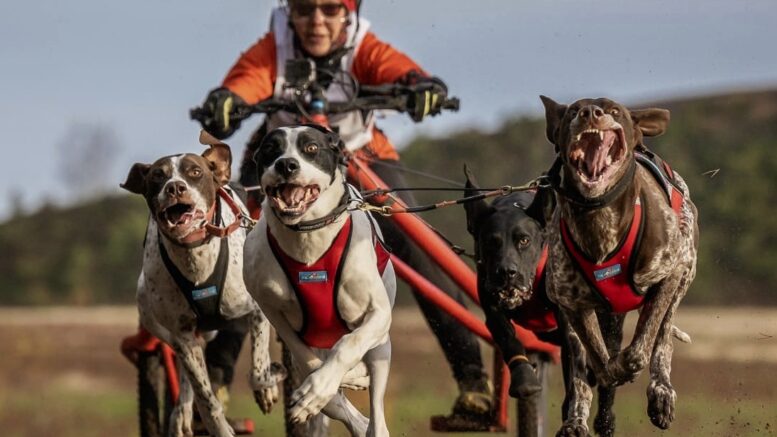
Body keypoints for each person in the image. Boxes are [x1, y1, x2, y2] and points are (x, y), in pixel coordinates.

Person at [196, 0, 493, 422]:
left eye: (330, 8)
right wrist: (230, 99)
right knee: (243, 252)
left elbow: (395, 69)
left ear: (347, 14)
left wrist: (420, 85)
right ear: (289, 13)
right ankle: (219, 380)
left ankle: (473, 382)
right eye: (303, 9)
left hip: (359, 155)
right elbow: (249, 79)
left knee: (415, 244)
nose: (316, 20)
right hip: (280, 167)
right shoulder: (274, 47)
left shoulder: (361, 47)